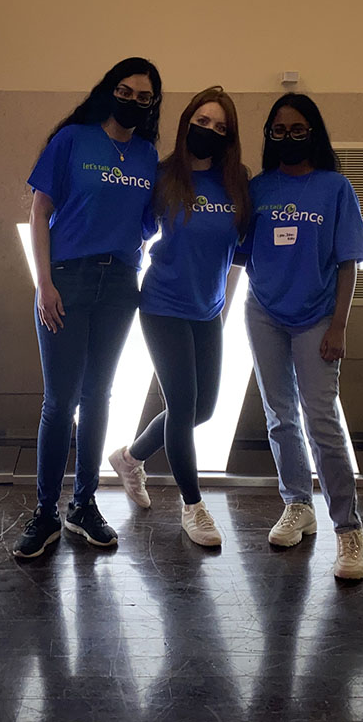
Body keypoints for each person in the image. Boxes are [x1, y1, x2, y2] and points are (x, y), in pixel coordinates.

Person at [12, 57, 162, 559]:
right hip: (67, 280)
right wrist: (44, 283)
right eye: (126, 91)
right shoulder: (72, 140)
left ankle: (83, 505)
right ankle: (45, 513)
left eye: (144, 97)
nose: (134, 102)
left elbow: (145, 222)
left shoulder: (146, 155)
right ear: (108, 91)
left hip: (119, 283)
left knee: (99, 396)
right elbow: (39, 211)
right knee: (59, 402)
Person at [108, 86, 249, 547]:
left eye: (220, 126)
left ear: (229, 136)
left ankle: (130, 457)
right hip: (163, 305)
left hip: (208, 311)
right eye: (202, 122)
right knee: (184, 406)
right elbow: (133, 229)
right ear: (187, 122)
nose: (209, 130)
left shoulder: (236, 181)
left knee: (202, 410)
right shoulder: (165, 176)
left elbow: (236, 253)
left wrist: (222, 305)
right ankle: (193, 506)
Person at [242, 93, 363, 580]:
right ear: (269, 135)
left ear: (313, 133)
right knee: (279, 415)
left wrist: (339, 324)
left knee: (321, 421)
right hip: (264, 313)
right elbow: (237, 251)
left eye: (298, 129)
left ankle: (349, 530)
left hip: (318, 317)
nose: (288, 137)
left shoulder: (335, 187)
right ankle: (298, 504)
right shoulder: (258, 188)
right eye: (279, 130)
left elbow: (348, 262)